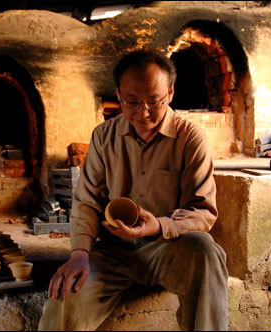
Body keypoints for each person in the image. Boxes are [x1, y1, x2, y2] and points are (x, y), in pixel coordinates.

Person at [38, 49, 229, 331]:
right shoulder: (104, 137)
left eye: (154, 101)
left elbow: (203, 212)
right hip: (115, 253)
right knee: (67, 292)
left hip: (168, 248)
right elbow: (87, 202)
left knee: (206, 251)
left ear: (171, 93)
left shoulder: (190, 138)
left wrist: (158, 226)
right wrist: (79, 253)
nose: (144, 112)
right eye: (132, 101)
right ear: (118, 94)